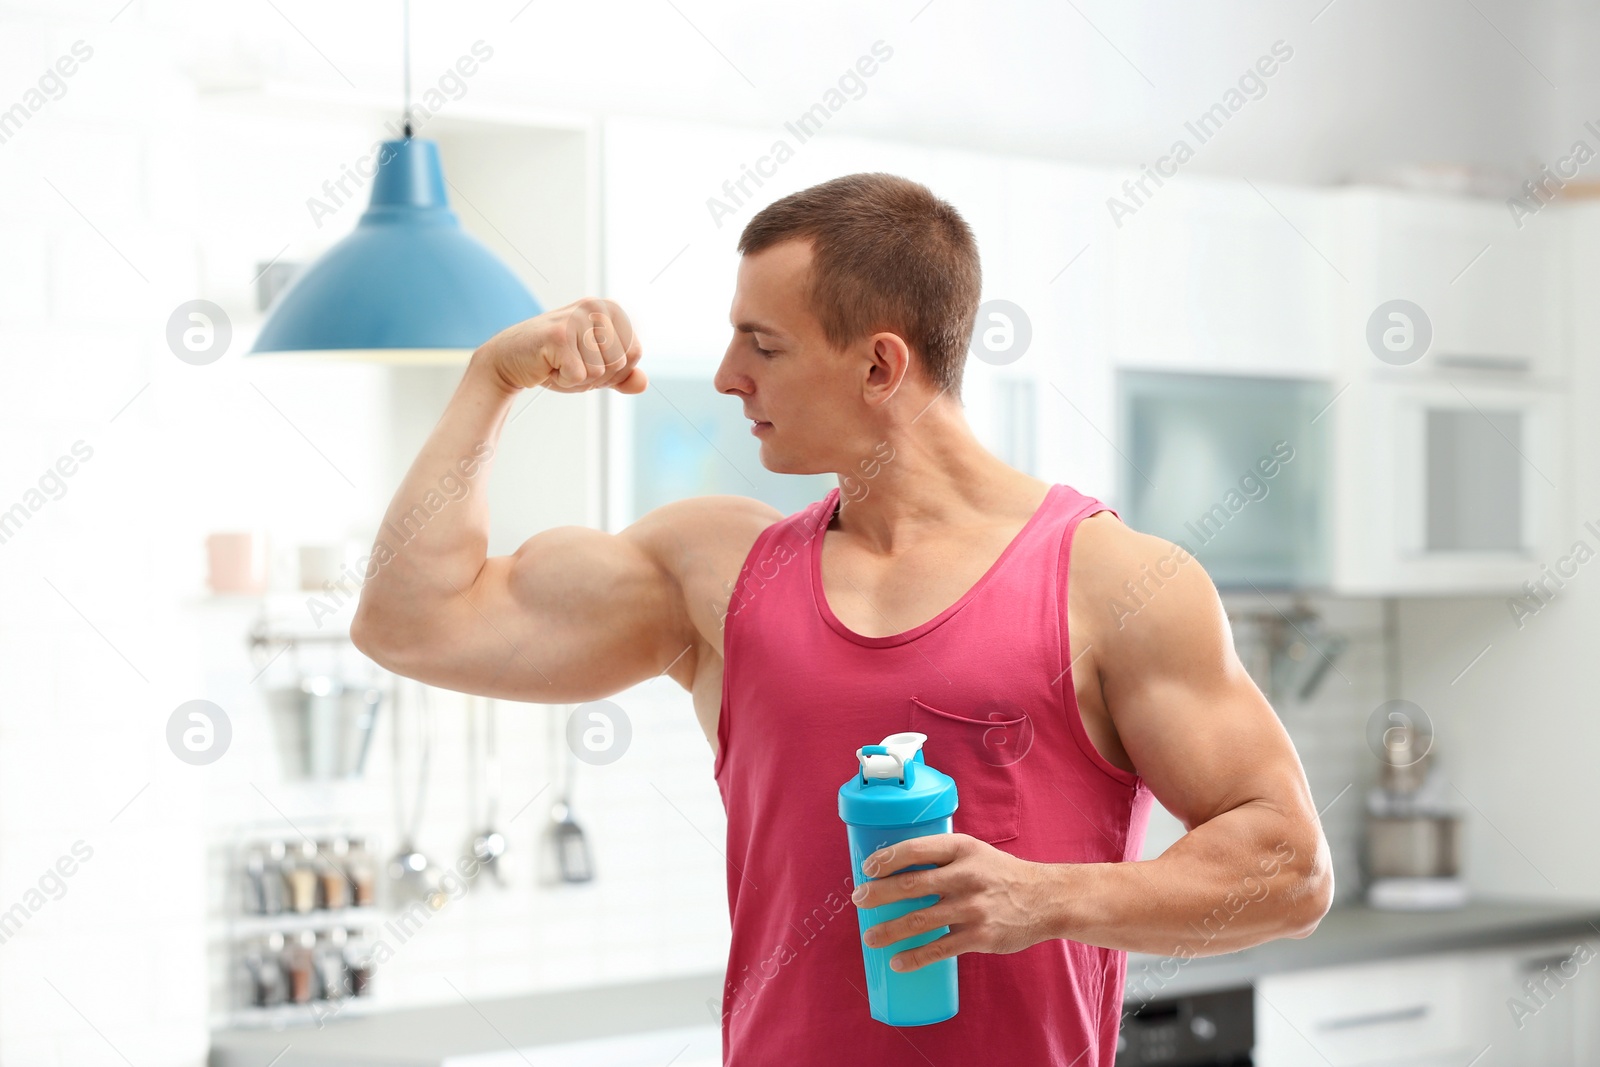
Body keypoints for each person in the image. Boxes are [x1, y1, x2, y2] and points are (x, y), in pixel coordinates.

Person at [351, 172, 1333, 1065]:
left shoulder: (1115, 582)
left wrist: (1044, 897)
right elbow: (413, 621)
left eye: (762, 343)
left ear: (879, 367)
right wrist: (493, 381)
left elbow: (1287, 866)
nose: (729, 374)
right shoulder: (715, 571)